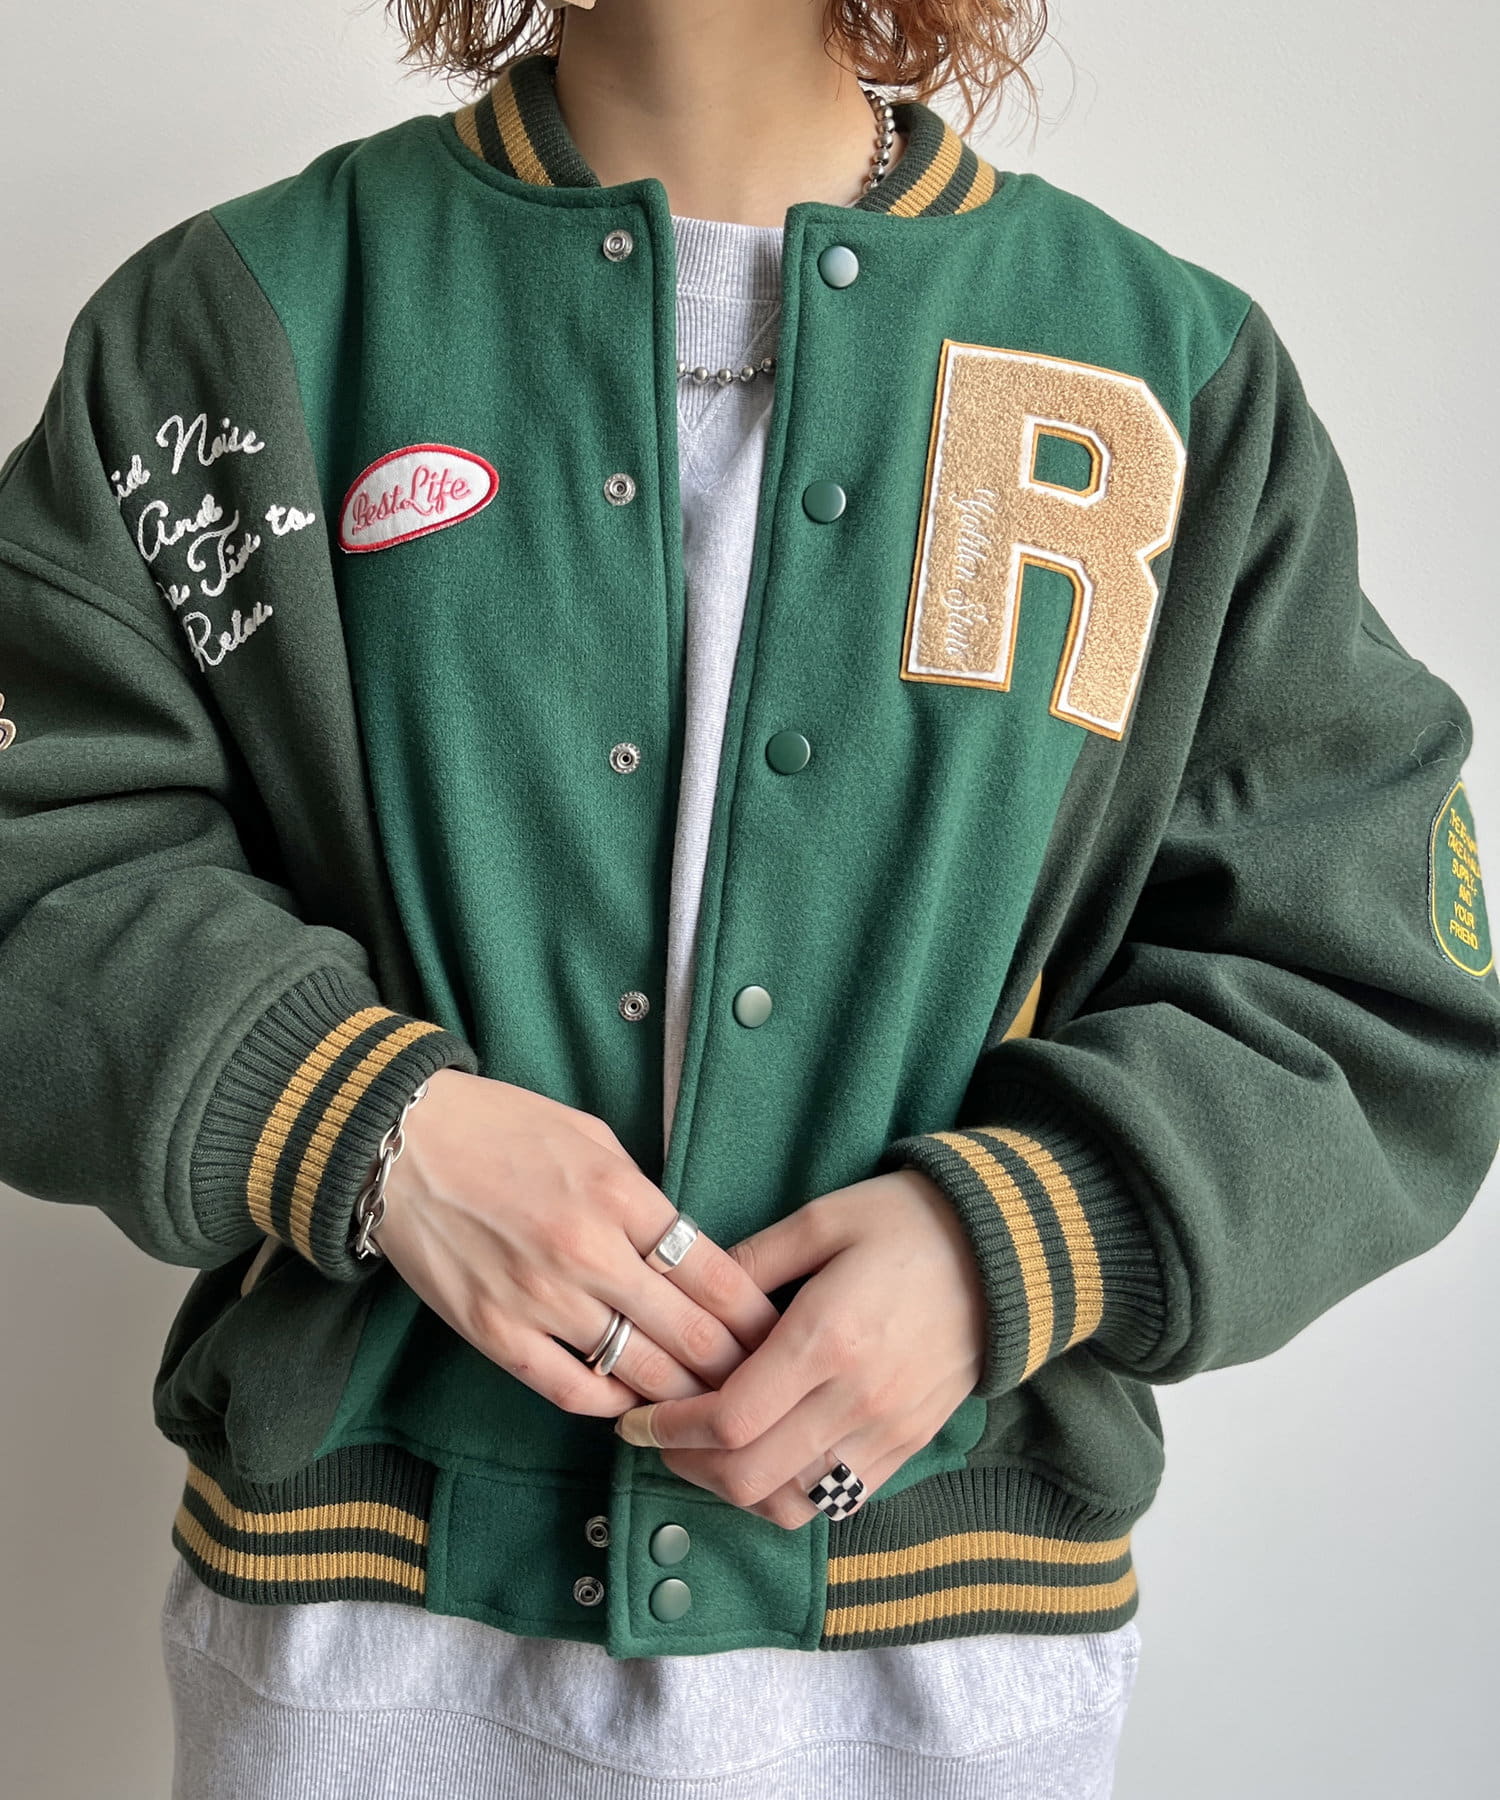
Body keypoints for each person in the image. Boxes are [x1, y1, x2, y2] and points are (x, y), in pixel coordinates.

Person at [1, 0, 1496, 1794]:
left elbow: (1378, 981)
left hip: (952, 1675)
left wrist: (1019, 1238)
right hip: (358, 1657)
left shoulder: (1168, 372)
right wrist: (365, 1122)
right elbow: (42, 840)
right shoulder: (239, 321)